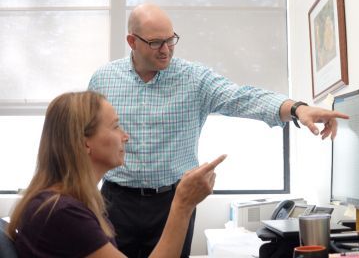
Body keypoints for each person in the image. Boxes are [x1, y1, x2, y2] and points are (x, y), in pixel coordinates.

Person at [88, 3, 349, 258]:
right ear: (132, 42)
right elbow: (83, 137)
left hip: (175, 201)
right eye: (156, 42)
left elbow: (243, 97)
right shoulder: (104, 79)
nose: (166, 50)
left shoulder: (193, 78)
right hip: (114, 201)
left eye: (171, 40)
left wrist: (296, 108)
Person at [6, 91, 226, 258]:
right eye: (115, 126)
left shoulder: (64, 202)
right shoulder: (62, 213)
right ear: (84, 143)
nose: (125, 136)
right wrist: (183, 205)